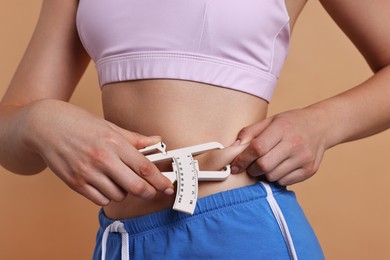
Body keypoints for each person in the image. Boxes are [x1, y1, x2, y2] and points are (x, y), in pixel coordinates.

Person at [0, 0, 389, 259]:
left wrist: (322, 123)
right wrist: (39, 120)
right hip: (122, 241)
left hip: (238, 231)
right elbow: (10, 130)